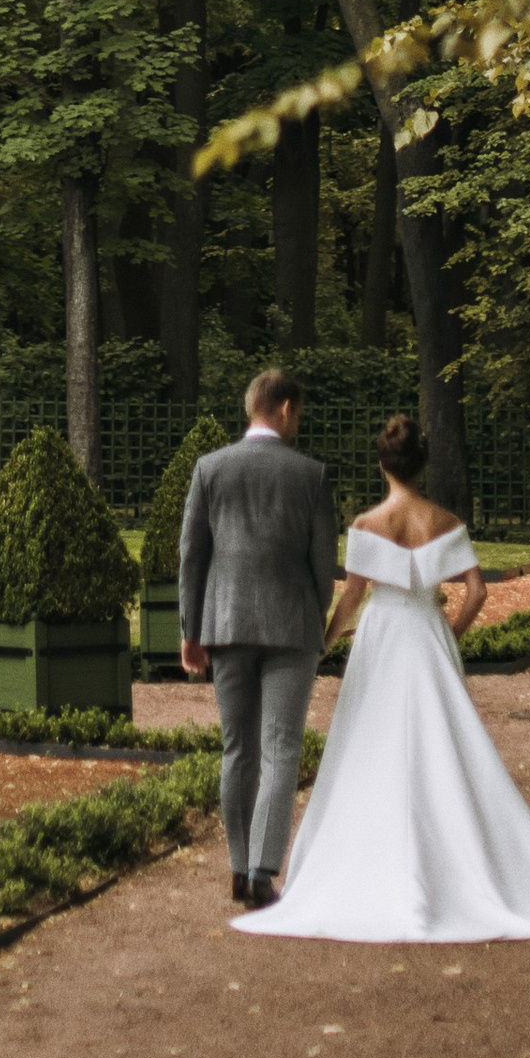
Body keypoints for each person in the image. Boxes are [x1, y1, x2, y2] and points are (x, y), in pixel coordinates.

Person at [237, 410, 530, 945]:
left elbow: (352, 597)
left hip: (382, 638)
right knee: (446, 747)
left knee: (369, 744)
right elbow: (478, 592)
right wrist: (449, 633)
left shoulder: (365, 525)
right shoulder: (446, 522)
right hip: (427, 634)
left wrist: (324, 644)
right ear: (422, 464)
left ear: (382, 463)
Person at [178, 367, 339, 909]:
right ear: (286, 408)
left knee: (237, 749)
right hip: (291, 626)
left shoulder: (209, 469)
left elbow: (191, 556)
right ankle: (262, 871)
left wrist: (190, 628)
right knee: (281, 749)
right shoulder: (311, 476)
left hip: (223, 624)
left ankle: (235, 865)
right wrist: (316, 618)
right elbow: (323, 566)